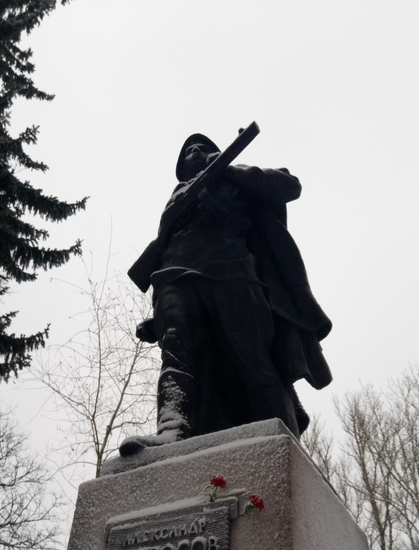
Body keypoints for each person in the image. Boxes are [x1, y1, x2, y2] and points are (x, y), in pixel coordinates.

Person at [119, 132, 332, 457]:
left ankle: (283, 435)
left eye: (202, 148)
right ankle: (172, 429)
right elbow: (165, 248)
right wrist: (158, 316)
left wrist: (228, 171)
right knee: (175, 351)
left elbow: (290, 185)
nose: (194, 152)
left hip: (231, 272)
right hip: (172, 279)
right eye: (188, 150)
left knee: (252, 357)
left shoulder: (236, 178)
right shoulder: (176, 198)